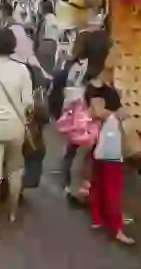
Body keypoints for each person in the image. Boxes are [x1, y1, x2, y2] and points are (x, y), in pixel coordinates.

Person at [0, 28, 34, 239]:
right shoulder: (22, 70)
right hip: (15, 123)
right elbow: (28, 103)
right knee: (15, 170)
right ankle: (12, 212)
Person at [51, 27, 109, 202]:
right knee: (88, 155)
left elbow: (61, 86)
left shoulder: (76, 66)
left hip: (73, 116)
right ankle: (83, 189)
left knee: (72, 150)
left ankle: (69, 185)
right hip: (90, 118)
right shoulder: (99, 71)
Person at [85, 43, 133, 245]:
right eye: (113, 53)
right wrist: (117, 114)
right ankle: (116, 227)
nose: (118, 57)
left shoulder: (104, 84)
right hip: (108, 139)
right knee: (112, 184)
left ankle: (99, 218)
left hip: (100, 140)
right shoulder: (98, 86)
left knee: (100, 181)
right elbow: (97, 111)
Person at [37, 0, 62, 73]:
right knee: (49, 69)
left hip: (44, 44)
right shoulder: (56, 19)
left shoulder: (44, 19)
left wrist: (37, 48)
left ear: (42, 8)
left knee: (42, 69)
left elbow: (40, 34)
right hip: (54, 45)